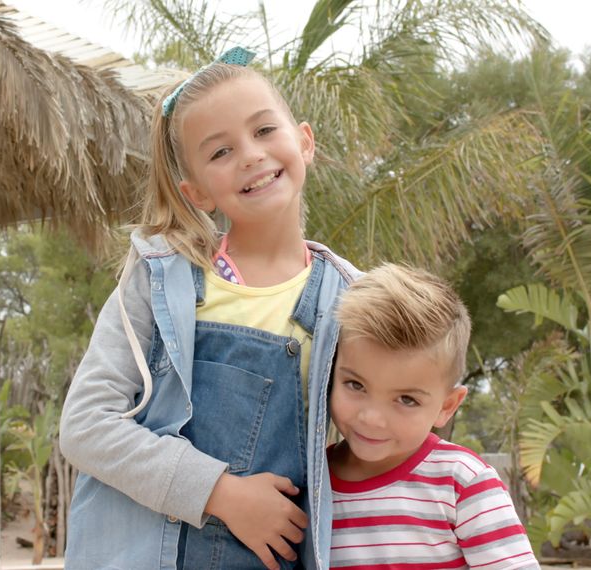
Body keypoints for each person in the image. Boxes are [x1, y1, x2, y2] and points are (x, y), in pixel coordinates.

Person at [59, 46, 359, 570]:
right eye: (219, 152)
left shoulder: (352, 299)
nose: (250, 154)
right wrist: (221, 493)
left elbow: (384, 435)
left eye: (265, 130)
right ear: (196, 192)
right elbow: (84, 426)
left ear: (304, 141)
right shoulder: (157, 280)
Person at [327, 263, 539, 569]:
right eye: (355, 384)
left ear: (447, 406)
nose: (372, 418)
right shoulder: (312, 483)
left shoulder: (462, 483)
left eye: (406, 399)